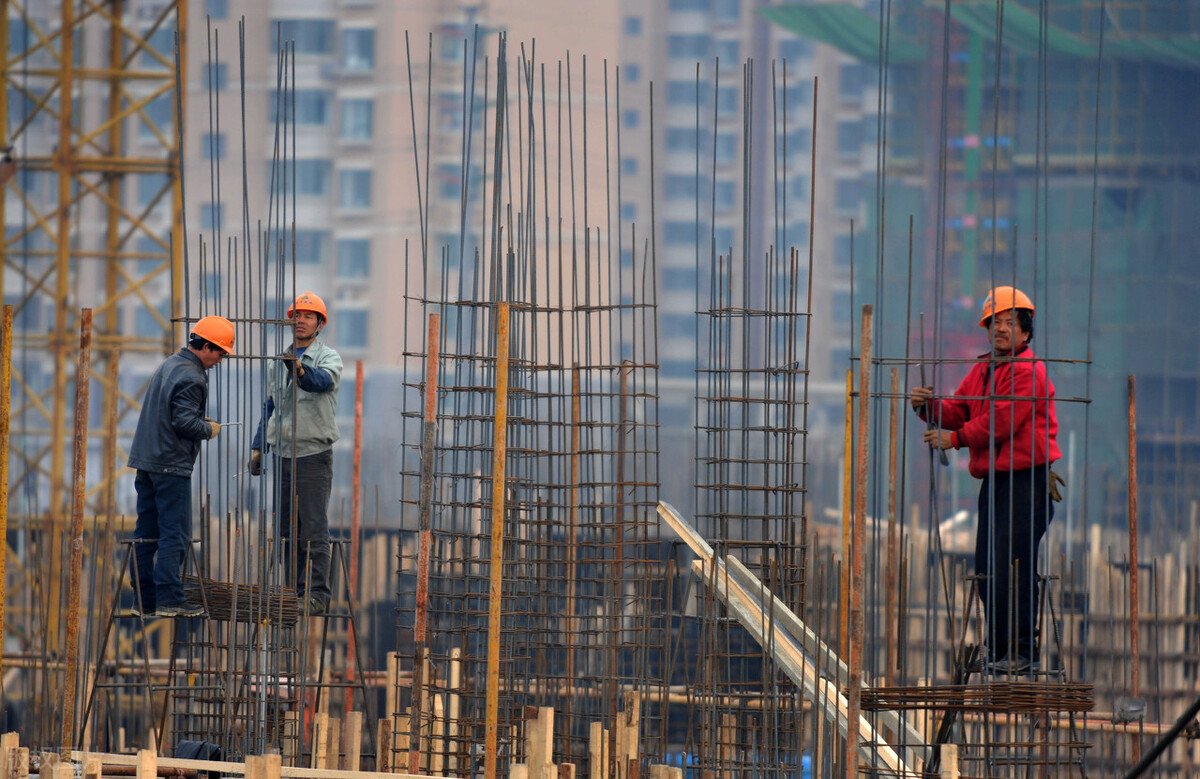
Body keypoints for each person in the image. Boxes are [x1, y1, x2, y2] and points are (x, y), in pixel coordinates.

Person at [911, 286, 1061, 674]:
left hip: (1027, 483)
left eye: (1010, 322)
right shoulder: (985, 369)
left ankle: (1022, 652)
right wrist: (930, 408)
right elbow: (960, 408)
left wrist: (955, 439)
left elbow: (1000, 422)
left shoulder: (1029, 372)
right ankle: (999, 650)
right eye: (995, 321)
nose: (1001, 328)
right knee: (988, 570)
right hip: (996, 484)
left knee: (1016, 567)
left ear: (1026, 332)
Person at [128, 315, 234, 618]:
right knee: (175, 533)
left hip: (146, 461)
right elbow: (183, 421)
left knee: (145, 532)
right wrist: (207, 428)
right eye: (221, 353)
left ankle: (144, 601)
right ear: (206, 347)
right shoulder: (192, 375)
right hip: (169, 465)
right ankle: (169, 598)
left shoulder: (170, 364)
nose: (220, 360)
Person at [249, 292, 342, 614]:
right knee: (287, 530)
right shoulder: (280, 360)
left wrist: (300, 371)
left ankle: (317, 595)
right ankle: (292, 592)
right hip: (284, 454)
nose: (300, 320)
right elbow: (271, 405)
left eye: (308, 316)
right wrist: (259, 446)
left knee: (314, 528)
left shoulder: (328, 358)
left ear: (319, 324)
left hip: (313, 455)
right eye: (296, 315)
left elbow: (319, 383)